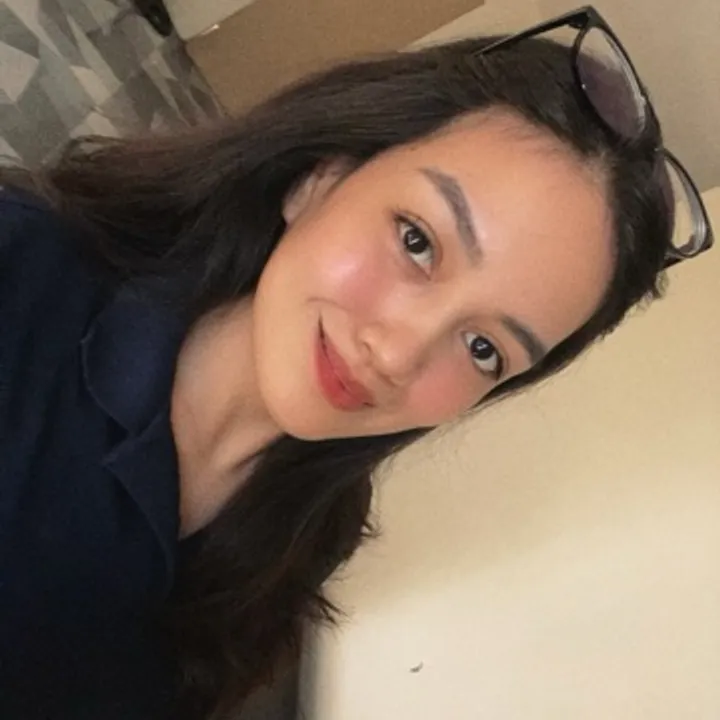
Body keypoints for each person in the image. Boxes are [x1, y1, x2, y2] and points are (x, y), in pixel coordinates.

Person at [0, 6, 713, 720]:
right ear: (320, 176)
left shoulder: (309, 537)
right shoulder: (21, 276)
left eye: (484, 349)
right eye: (417, 241)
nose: (398, 353)